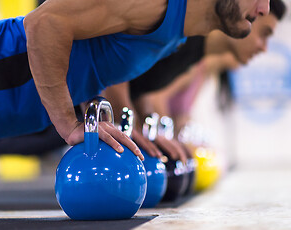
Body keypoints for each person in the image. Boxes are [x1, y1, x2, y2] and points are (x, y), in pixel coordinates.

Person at [0, 0, 269, 163]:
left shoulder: (177, 36)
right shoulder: (157, 3)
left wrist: (111, 123)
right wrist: (68, 123)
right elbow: (45, 23)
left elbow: (86, 60)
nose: (266, 7)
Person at [103, 0, 285, 161]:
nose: (264, 48)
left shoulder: (194, 54)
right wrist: (132, 128)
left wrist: (151, 131)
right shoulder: (179, 26)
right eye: (264, 34)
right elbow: (112, 64)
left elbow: (139, 85)